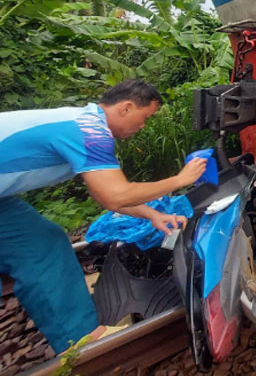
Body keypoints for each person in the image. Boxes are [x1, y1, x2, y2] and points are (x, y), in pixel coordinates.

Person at [0, 80, 207, 353]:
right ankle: (80, 340)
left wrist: (151, 214)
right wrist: (179, 179)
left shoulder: (83, 122)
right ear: (126, 107)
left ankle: (77, 335)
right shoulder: (91, 131)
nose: (143, 127)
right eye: (144, 118)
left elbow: (103, 194)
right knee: (40, 248)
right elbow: (116, 195)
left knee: (42, 242)